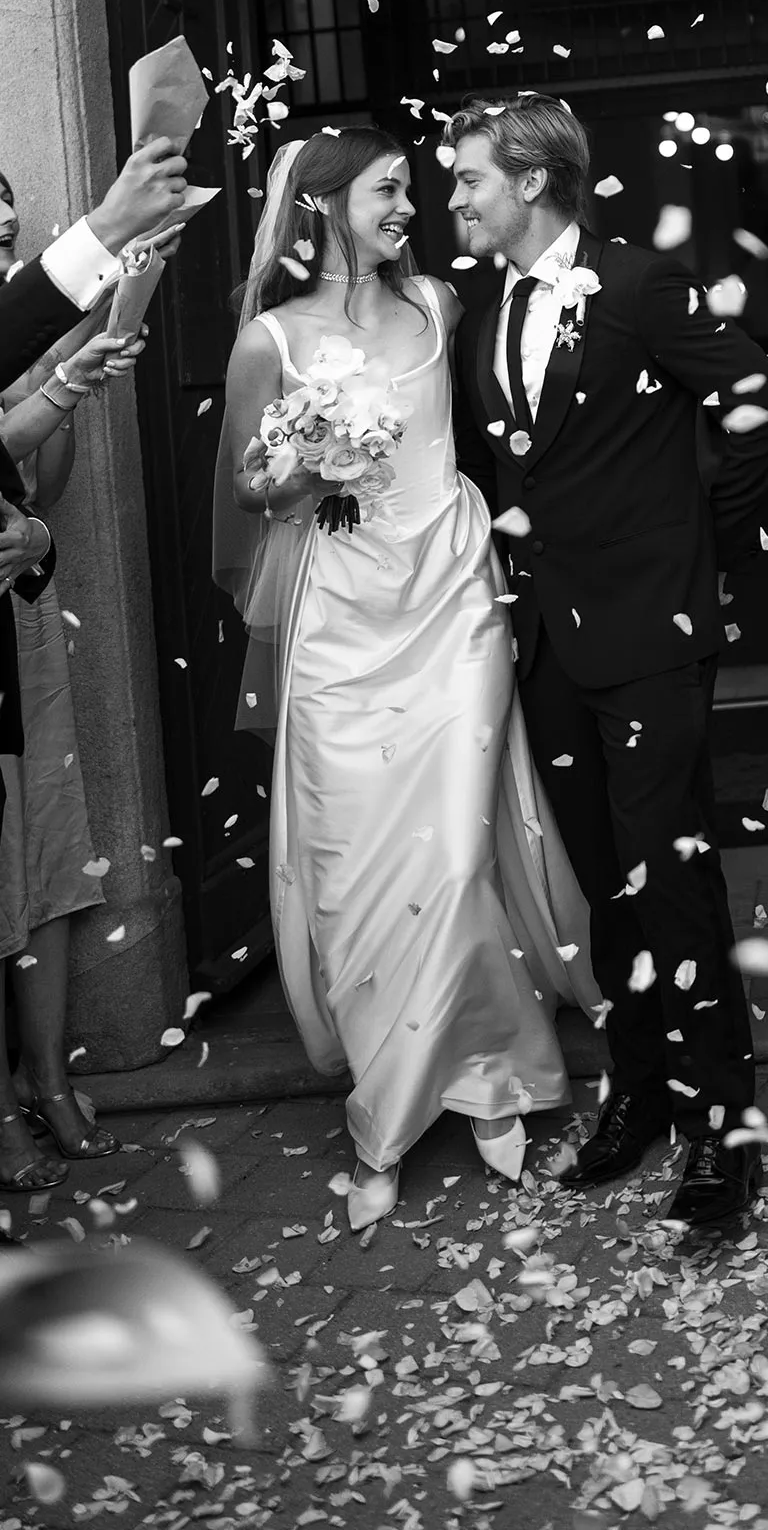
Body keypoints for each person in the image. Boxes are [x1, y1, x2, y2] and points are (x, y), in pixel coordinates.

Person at [215, 129, 598, 1231]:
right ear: (324, 205)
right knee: (357, 864)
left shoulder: (438, 304)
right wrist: (309, 461)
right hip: (340, 620)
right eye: (386, 191)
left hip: (453, 598)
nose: (408, 208)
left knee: (460, 849)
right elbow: (248, 492)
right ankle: (384, 1105)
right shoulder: (268, 341)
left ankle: (493, 1075)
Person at [446, 92, 768, 1229]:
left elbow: (764, 404)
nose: (456, 200)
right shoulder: (483, 310)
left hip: (653, 638)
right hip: (546, 644)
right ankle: (640, 1092)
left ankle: (721, 1129)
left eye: (470, 180)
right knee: (606, 885)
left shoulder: (640, 285)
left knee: (670, 877)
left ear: (532, 181)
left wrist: (696, 553)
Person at [0, 139, 187, 1201]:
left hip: (16, 616)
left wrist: (67, 374)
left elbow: (32, 478)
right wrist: (109, 224)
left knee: (43, 847)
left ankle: (46, 1075)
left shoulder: (22, 323)